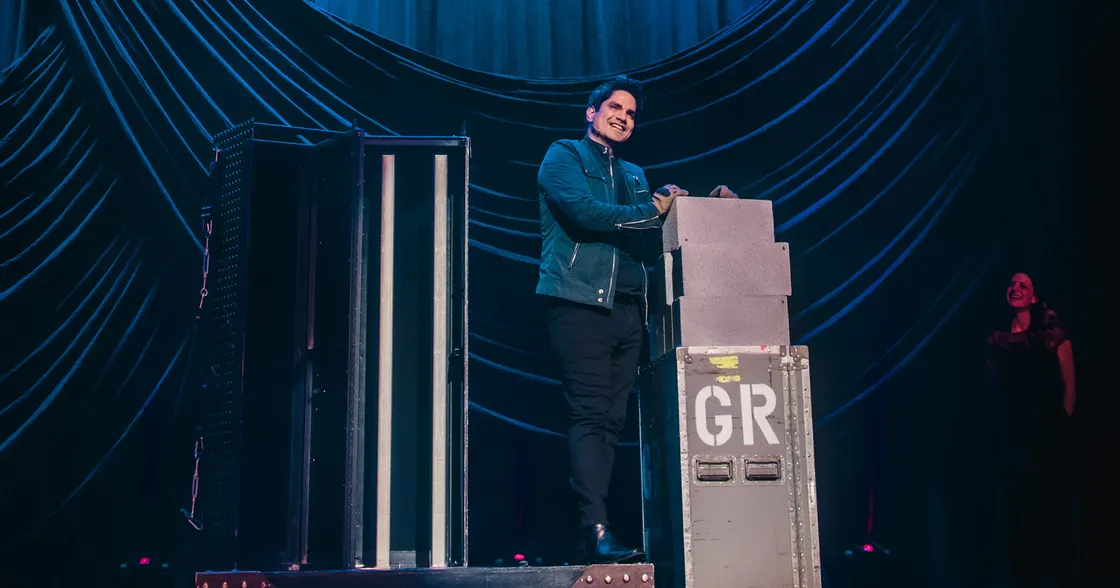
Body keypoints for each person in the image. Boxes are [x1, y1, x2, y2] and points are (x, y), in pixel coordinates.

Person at [534, 75, 686, 564]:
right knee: (590, 414)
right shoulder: (564, 155)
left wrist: (684, 208)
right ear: (591, 112)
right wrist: (651, 211)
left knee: (613, 421)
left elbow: (645, 235)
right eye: (615, 108)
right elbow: (585, 212)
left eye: (632, 112)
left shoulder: (637, 174)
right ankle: (594, 529)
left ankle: (601, 529)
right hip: (579, 304)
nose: (624, 116)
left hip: (628, 312)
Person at [985, 271, 1076, 585]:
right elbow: (992, 388)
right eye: (1011, 284)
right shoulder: (997, 339)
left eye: (1023, 285)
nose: (1015, 289)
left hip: (1046, 434)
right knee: (1015, 511)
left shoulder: (1052, 336)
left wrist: (1058, 429)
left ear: (1034, 296)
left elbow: (1069, 388)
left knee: (1046, 507)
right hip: (1012, 434)